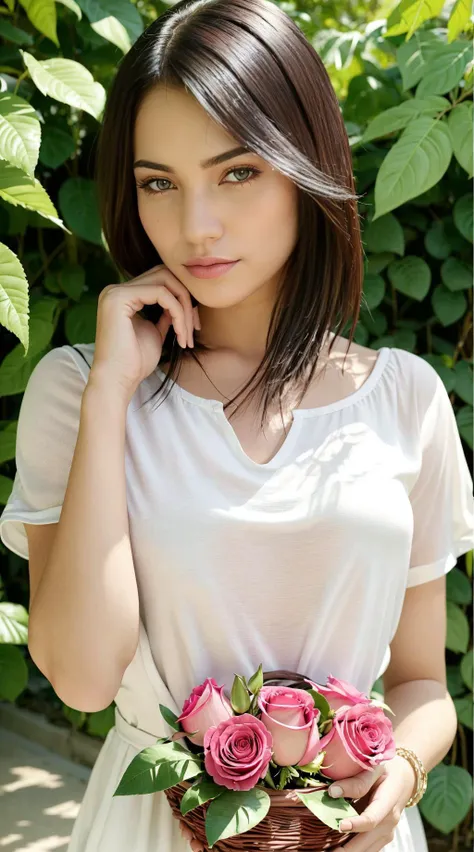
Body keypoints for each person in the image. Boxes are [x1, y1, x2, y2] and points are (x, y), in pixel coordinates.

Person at [1, 0, 473, 850]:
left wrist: (395, 777)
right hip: (149, 826)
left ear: (305, 167)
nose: (196, 227)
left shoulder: (405, 398)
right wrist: (114, 391)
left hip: (349, 834)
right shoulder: (78, 389)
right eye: (159, 184)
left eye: (238, 172)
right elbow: (79, 675)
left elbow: (420, 686)